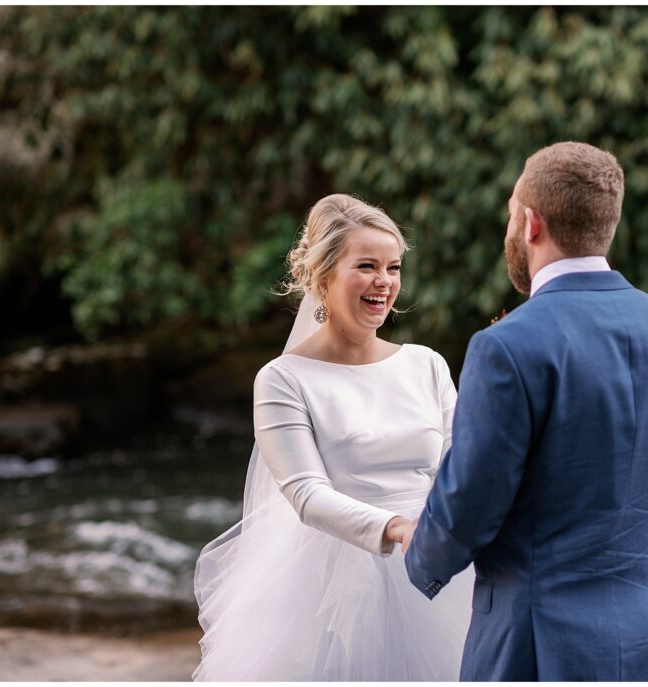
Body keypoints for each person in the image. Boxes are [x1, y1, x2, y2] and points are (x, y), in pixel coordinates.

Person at [402, 141, 648, 680]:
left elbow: (469, 503)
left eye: (509, 216)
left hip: (532, 642)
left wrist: (418, 558)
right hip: (646, 638)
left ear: (529, 224)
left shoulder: (506, 345)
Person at [193, 194, 473, 680]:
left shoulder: (427, 364)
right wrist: (397, 528)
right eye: (366, 266)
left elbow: (461, 463)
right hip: (332, 582)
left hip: (435, 558)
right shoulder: (283, 379)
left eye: (393, 267)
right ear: (323, 277)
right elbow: (305, 494)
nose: (384, 282)